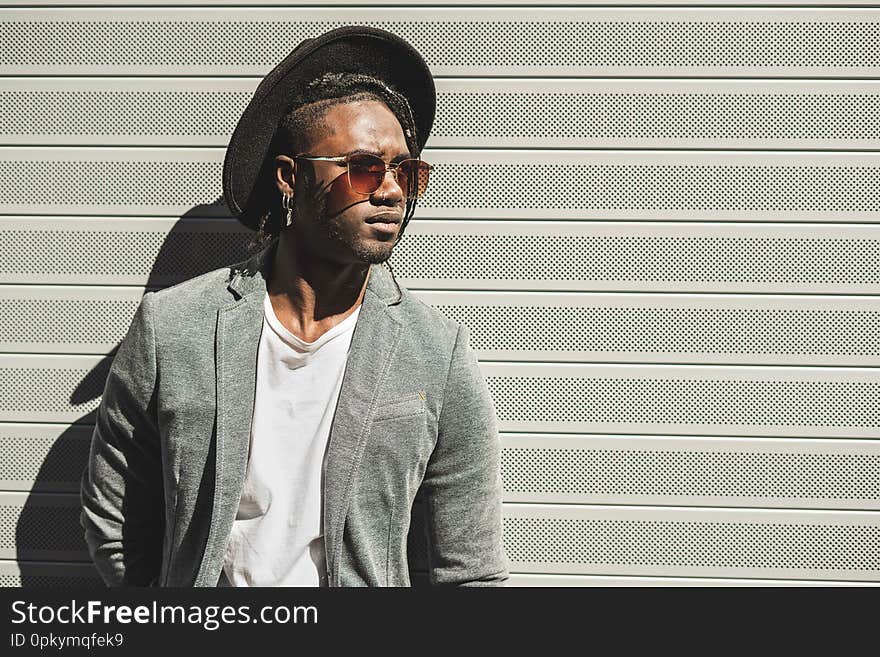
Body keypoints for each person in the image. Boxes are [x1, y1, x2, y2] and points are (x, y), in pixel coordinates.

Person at [79, 26, 508, 587]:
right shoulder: (174, 327)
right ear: (290, 176)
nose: (392, 191)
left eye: (406, 171)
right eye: (362, 168)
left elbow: (471, 569)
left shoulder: (436, 350)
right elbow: (115, 524)